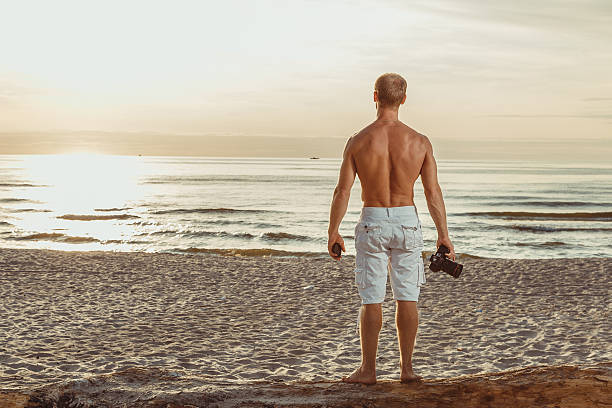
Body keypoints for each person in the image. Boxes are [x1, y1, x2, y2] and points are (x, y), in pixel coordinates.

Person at [327, 73, 455, 385]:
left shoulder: (358, 141)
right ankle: (407, 369)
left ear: (375, 97)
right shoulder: (420, 142)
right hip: (406, 220)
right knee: (407, 297)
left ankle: (368, 371)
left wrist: (333, 231)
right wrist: (443, 234)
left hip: (372, 219)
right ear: (404, 99)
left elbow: (342, 191)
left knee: (371, 298)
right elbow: (432, 192)